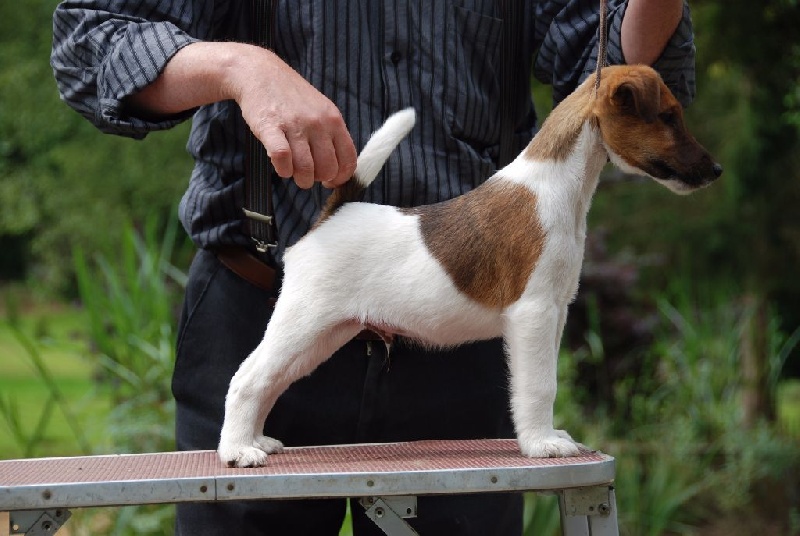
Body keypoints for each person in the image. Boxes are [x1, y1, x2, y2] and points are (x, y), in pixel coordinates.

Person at [51, 1, 696, 534]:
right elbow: (91, 38)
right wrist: (235, 65)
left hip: (463, 351)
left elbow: (611, 62)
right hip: (256, 288)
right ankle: (242, 416)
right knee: (268, 370)